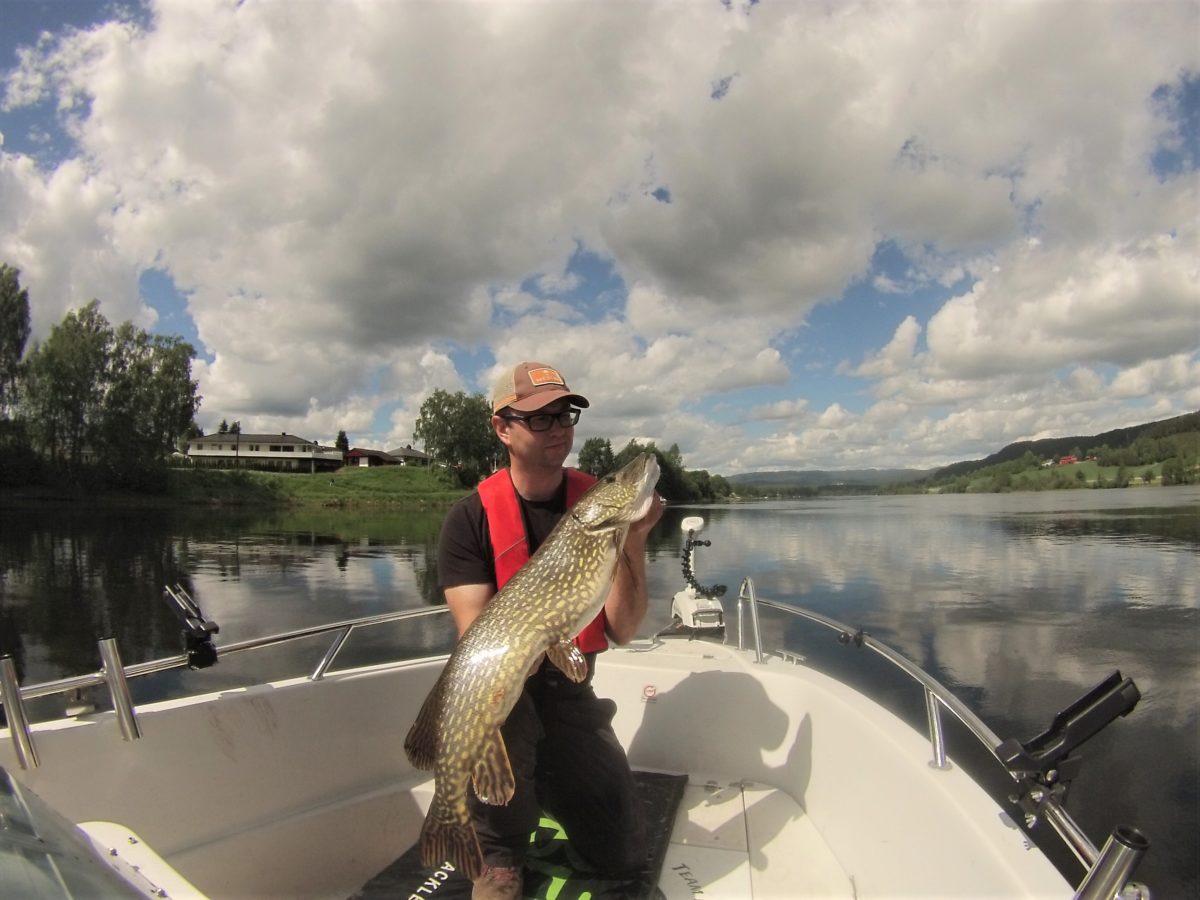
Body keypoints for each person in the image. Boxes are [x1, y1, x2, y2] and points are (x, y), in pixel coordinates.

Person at [436, 361, 664, 900]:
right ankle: (498, 853)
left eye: (566, 413)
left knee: (622, 853)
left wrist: (632, 541)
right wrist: (529, 641)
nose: (559, 427)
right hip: (503, 695)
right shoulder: (469, 520)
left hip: (569, 689)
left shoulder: (595, 512)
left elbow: (624, 630)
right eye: (540, 418)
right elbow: (479, 638)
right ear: (502, 428)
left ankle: (549, 788)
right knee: (509, 717)